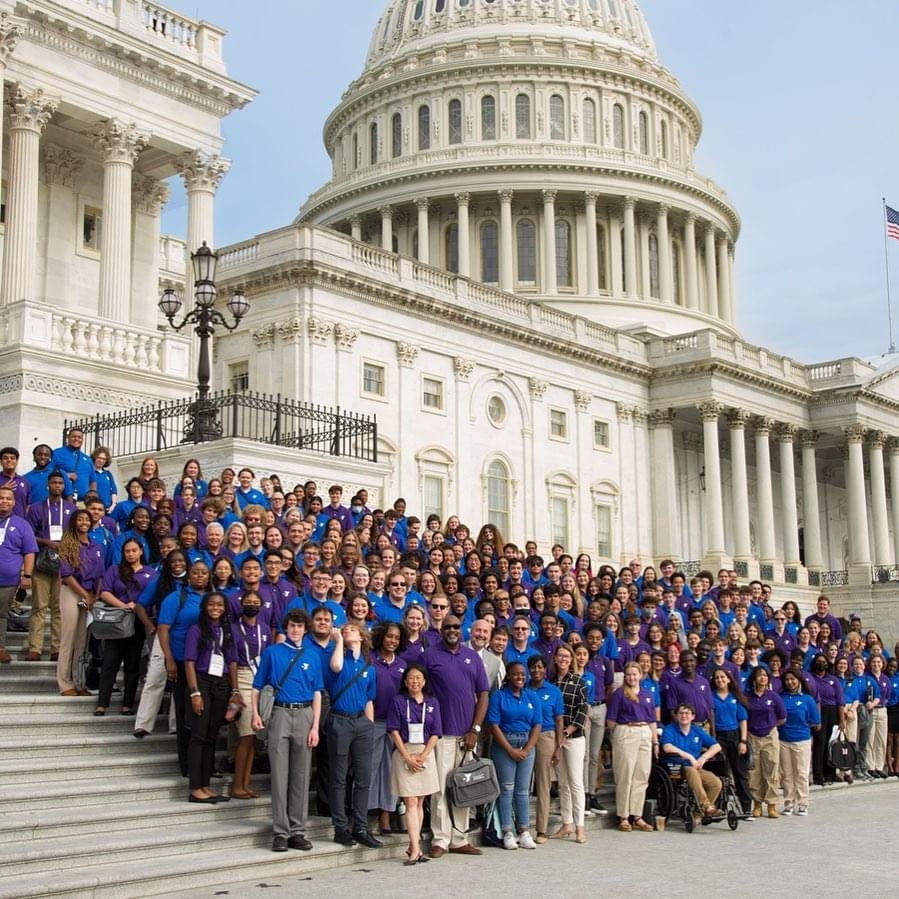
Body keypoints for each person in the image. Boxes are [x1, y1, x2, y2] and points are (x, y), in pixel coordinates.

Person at [251, 608, 322, 852]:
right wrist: (255, 713)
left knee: (301, 776)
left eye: (300, 626)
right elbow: (257, 685)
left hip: (304, 713)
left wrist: (315, 726)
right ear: (286, 627)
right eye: (292, 625)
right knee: (280, 776)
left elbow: (317, 692)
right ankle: (280, 832)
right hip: (280, 712)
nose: (295, 630)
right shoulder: (272, 652)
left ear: (305, 629)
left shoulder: (312, 655)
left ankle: (297, 831)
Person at [422, 614, 489, 858]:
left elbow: (483, 694)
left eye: (456, 627)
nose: (452, 630)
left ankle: (459, 838)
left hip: (467, 735)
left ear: (462, 630)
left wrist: (475, 730)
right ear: (441, 630)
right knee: (439, 788)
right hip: (440, 734)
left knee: (464, 787)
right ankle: (440, 838)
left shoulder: (472, 657)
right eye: (447, 626)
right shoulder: (429, 656)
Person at [326, 622, 381, 848]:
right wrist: (338, 640)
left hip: (361, 721)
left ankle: (360, 826)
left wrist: (369, 724)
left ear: (361, 635)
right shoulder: (338, 656)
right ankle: (340, 827)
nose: (345, 631)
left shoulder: (370, 666)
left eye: (350, 629)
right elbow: (336, 667)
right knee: (338, 777)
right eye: (344, 629)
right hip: (340, 719)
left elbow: (369, 698)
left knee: (363, 776)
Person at [184, 593, 240, 803]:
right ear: (205, 607)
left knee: (211, 736)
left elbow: (232, 661)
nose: (215, 607)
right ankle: (195, 787)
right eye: (211, 604)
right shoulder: (196, 629)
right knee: (199, 735)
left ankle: (205, 785)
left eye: (220, 604)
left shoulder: (228, 631)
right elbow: (189, 661)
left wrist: (234, 690)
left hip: (222, 683)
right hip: (202, 682)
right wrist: (194, 692)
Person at [156, 560, 210, 776]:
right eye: (195, 572)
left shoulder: (211, 599)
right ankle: (186, 764)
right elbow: (163, 629)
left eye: (204, 573)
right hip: (179, 662)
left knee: (203, 715)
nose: (199, 576)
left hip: (204, 665)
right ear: (189, 576)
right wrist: (169, 658)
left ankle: (203, 763)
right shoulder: (176, 598)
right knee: (184, 713)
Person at [387, 662, 442, 866]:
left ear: (424, 681)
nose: (415, 681)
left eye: (418, 677)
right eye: (411, 677)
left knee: (420, 802)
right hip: (405, 751)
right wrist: (407, 757)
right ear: (405, 681)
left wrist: (424, 755)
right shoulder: (398, 701)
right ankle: (416, 848)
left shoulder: (432, 703)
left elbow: (436, 732)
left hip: (425, 753)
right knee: (410, 801)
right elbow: (393, 731)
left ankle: (414, 846)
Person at [95, 537, 155, 715]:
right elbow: (105, 592)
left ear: (141, 551)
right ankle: (102, 703)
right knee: (110, 663)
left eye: (134, 550)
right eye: (127, 551)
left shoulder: (151, 573)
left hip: (138, 623)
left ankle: (127, 704)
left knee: (133, 664)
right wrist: (124, 606)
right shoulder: (115, 569)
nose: (131, 554)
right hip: (116, 621)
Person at [486, 660, 541, 850]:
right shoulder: (499, 697)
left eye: (523, 674)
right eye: (516, 674)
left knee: (523, 791)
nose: (520, 677)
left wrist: (527, 749)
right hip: (505, 744)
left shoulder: (531, 696)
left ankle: (524, 830)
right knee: (507, 788)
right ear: (508, 676)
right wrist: (509, 749)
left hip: (527, 744)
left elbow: (537, 725)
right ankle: (507, 831)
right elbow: (493, 725)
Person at [24, 471, 75, 661]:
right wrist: (47, 542)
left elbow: (75, 534)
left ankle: (56, 649)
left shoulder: (70, 508)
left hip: (63, 565)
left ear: (64, 486)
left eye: (60, 483)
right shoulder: (37, 508)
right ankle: (35, 648)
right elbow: (29, 535)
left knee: (58, 608)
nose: (57, 486)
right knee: (39, 607)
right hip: (42, 563)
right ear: (48, 485)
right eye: (54, 483)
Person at [230, 590, 273, 799]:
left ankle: (246, 784)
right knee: (245, 735)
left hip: (259, 680)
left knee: (254, 737)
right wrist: (235, 689)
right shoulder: (233, 628)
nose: (252, 604)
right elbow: (231, 660)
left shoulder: (264, 628)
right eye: (248, 601)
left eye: (256, 602)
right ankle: (237, 784)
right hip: (242, 676)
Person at [56, 510, 105, 696]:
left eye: (86, 519)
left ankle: (78, 682)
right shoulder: (68, 544)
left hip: (91, 595)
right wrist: (84, 594)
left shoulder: (96, 546)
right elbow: (67, 575)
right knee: (68, 638)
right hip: (72, 591)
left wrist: (95, 595)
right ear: (74, 522)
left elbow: (101, 574)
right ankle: (65, 683)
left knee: (82, 641)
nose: (84, 522)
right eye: (80, 519)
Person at [606, 660, 658, 831]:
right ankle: (623, 816)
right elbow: (611, 721)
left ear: (641, 675)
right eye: (628, 674)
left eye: (635, 674)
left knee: (642, 775)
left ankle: (637, 814)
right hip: (626, 731)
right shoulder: (619, 694)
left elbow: (652, 719)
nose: (632, 677)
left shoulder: (647, 694)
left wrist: (655, 741)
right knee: (625, 775)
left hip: (644, 732)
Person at [550, 642, 589, 843]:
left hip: (573, 737)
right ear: (555, 658)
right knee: (562, 782)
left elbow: (583, 710)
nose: (564, 659)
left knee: (575, 782)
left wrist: (567, 731)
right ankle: (566, 823)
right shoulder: (550, 682)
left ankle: (579, 827)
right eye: (560, 656)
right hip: (555, 738)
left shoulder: (579, 681)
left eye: (567, 656)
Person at [370, 622, 407, 835]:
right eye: (389, 637)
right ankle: (364, 817)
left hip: (395, 726)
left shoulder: (402, 664)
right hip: (373, 721)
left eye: (396, 638)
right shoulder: (370, 659)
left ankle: (386, 819)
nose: (392, 641)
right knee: (370, 769)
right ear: (382, 637)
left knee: (391, 772)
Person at [661, 703, 724, 822]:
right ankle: (707, 807)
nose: (684, 716)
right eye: (681, 713)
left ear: (693, 716)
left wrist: (704, 757)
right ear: (676, 715)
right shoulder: (670, 729)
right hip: (675, 767)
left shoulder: (696, 730)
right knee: (692, 772)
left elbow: (716, 746)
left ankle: (698, 814)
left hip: (695, 767)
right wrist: (689, 756)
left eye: (687, 713)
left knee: (716, 783)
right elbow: (667, 747)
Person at [527, 655, 564, 843]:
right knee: (522, 784)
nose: (536, 670)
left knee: (543, 784)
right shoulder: (522, 688)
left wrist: (558, 746)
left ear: (545, 669)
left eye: (540, 667)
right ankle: (522, 828)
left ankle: (541, 830)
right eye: (533, 667)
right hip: (524, 735)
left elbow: (559, 720)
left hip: (545, 736)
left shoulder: (554, 691)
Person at [0, 485, 37, 664]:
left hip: (8, 580)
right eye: (1, 498)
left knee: (1, 614)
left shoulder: (22, 524)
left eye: (8, 498)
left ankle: (0, 648)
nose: (4, 501)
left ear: (14, 502)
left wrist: (27, 576)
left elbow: (29, 552)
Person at [745, 666, 786, 818]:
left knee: (772, 770)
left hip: (770, 736)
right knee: (754, 772)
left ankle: (772, 805)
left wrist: (770, 727)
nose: (762, 678)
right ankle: (756, 804)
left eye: (765, 675)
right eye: (759, 675)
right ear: (754, 678)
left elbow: (782, 717)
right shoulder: (747, 696)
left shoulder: (773, 696)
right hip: (752, 736)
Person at [709, 667, 751, 814]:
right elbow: (711, 719)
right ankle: (722, 806)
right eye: (717, 678)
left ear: (728, 679)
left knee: (740, 772)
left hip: (734, 736)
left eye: (722, 677)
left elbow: (743, 720)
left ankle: (746, 808)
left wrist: (743, 741)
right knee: (721, 774)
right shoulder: (712, 697)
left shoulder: (735, 697)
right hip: (719, 737)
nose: (720, 680)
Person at [778, 669, 820, 816]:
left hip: (802, 740)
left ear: (799, 680)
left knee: (801, 773)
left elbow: (815, 721)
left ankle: (803, 803)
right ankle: (789, 802)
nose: (790, 682)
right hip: (783, 740)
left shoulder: (808, 699)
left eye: (793, 679)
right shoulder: (781, 697)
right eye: (787, 679)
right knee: (787, 775)